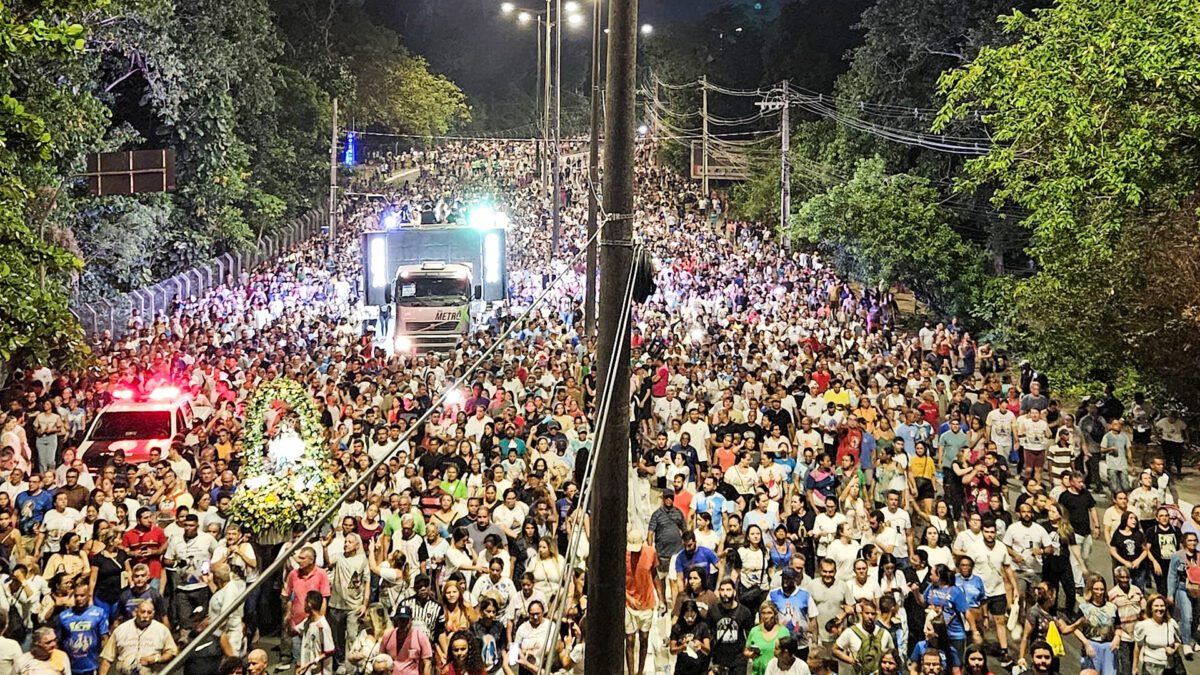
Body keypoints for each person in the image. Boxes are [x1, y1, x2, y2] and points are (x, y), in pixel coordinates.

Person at [99, 600, 177, 675]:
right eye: (143, 612)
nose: (146, 616)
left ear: (153, 614)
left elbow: (171, 652)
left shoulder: (162, 630)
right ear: (136, 612)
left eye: (149, 613)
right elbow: (107, 658)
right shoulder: (121, 629)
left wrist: (156, 659)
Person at [56, 579, 109, 675]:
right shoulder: (63, 616)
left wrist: (102, 661)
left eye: (82, 595)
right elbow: (59, 641)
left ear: (88, 596)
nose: (79, 598)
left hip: (91, 665)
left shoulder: (99, 613)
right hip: (70, 666)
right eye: (76, 596)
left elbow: (104, 638)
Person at [831, 599, 892, 675]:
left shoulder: (884, 634)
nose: (870, 616)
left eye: (872, 614)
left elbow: (892, 654)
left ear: (876, 615)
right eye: (867, 613)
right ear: (861, 614)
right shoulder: (851, 632)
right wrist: (851, 661)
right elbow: (835, 650)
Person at [624, 529, 656, 675]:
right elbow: (617, 581)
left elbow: (654, 574)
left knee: (644, 637)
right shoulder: (623, 556)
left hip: (646, 600)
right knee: (630, 639)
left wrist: (661, 598)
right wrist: (628, 597)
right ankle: (631, 672)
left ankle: (640, 671)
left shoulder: (650, 553)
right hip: (629, 601)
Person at [1132, 594, 1183, 675]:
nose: (1159, 608)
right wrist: (1135, 667)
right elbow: (1137, 646)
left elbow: (1178, 641)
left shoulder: (1171, 623)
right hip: (1150, 667)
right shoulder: (1143, 625)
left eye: (1162, 606)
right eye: (1156, 606)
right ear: (1150, 608)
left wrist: (1173, 649)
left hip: (1169, 667)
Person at [379, 605, 432, 675]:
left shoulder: (420, 637)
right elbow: (380, 658)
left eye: (406, 620)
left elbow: (427, 664)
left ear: (411, 620)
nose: (403, 623)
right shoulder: (388, 636)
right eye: (400, 620)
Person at [744, 601, 790, 675]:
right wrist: (751, 654)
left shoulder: (783, 632)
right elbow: (746, 650)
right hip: (757, 672)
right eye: (763, 613)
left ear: (775, 614)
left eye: (769, 613)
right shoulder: (754, 631)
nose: (766, 616)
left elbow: (789, 654)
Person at [668, 599, 711, 675]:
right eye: (687, 616)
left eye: (692, 615)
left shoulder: (702, 626)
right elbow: (672, 650)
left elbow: (707, 650)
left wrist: (701, 645)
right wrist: (681, 647)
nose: (690, 619)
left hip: (699, 669)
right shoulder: (677, 627)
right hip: (682, 669)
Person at [296, 590, 334, 675]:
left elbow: (329, 651)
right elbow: (294, 631)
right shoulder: (307, 621)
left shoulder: (322, 626)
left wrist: (310, 663)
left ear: (309, 604)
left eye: (305, 602)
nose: (304, 605)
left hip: (319, 672)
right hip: (307, 670)